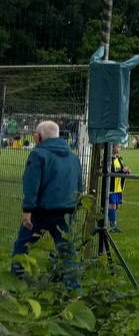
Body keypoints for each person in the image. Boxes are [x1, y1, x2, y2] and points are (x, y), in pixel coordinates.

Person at [11, 121, 83, 287]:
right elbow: (79, 185)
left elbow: (31, 184)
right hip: (66, 211)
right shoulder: (73, 157)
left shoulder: (38, 154)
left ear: (39, 136)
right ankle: (73, 290)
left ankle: (16, 283)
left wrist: (27, 210)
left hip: (42, 212)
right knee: (66, 253)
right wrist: (75, 208)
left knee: (22, 246)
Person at [108, 144, 130, 232]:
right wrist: (122, 171)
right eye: (118, 147)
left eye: (120, 147)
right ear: (113, 148)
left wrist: (127, 171)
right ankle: (111, 225)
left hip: (119, 186)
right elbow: (111, 171)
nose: (119, 148)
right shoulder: (109, 159)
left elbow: (122, 169)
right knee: (112, 205)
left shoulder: (120, 158)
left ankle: (113, 224)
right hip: (112, 186)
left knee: (116, 206)